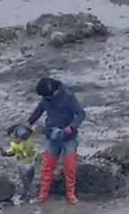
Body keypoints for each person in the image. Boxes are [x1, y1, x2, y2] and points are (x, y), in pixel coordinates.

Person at [25, 77, 86, 205]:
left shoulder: (68, 97)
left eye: (47, 97)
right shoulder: (46, 98)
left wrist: (71, 127)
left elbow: (81, 114)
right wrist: (29, 122)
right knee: (47, 166)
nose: (46, 99)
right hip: (51, 136)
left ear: (55, 91)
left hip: (68, 137)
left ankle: (71, 194)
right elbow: (39, 110)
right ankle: (43, 194)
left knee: (70, 167)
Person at [1, 124, 39, 204]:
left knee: (28, 181)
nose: (14, 139)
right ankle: (26, 194)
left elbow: (35, 151)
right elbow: (12, 151)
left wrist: (35, 156)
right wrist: (5, 153)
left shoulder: (29, 143)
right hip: (22, 164)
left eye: (15, 137)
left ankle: (30, 195)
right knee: (24, 180)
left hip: (29, 164)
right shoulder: (16, 144)